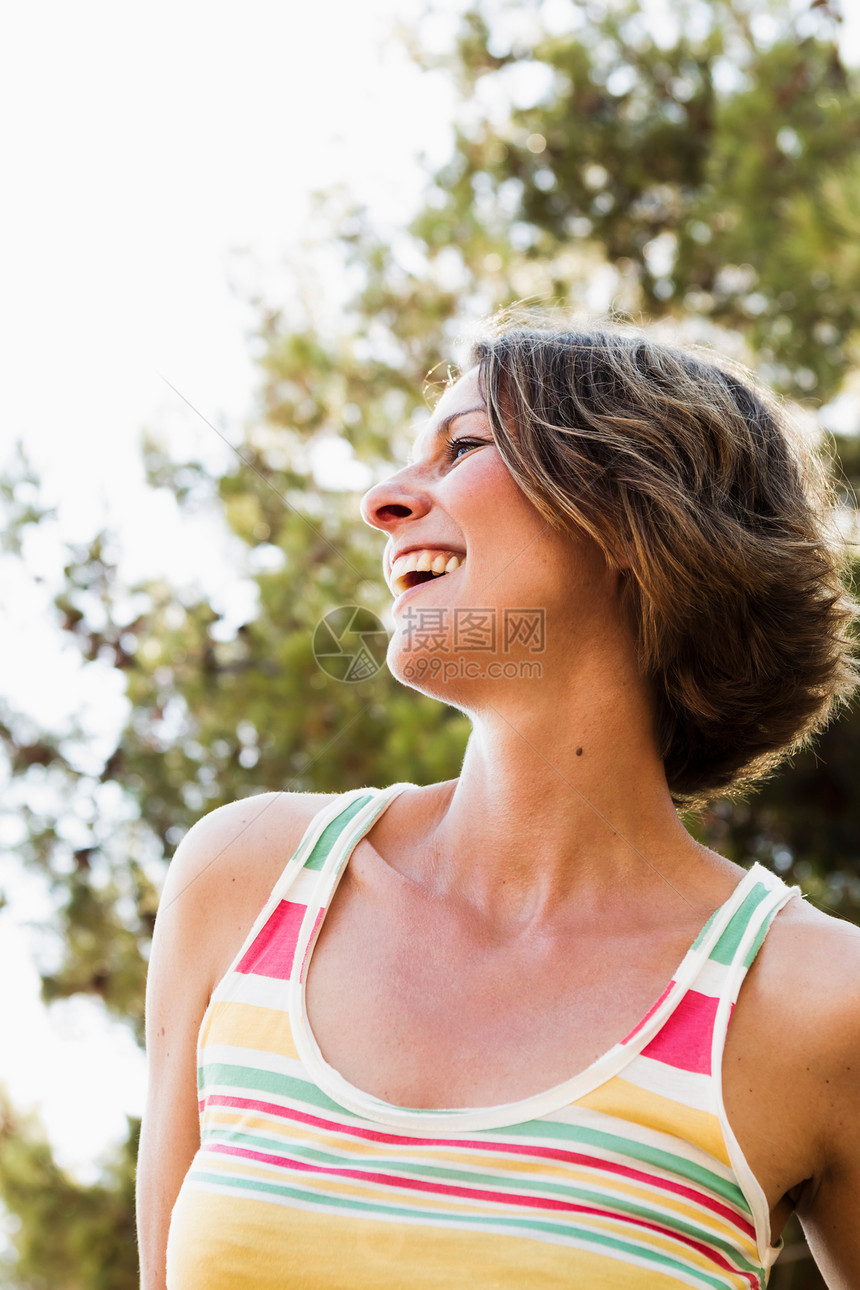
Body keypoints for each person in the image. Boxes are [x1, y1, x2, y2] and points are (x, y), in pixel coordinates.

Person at [137, 320, 860, 1289]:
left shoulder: (816, 1002)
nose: (382, 501)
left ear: (633, 519)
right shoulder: (247, 877)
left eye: (464, 446)